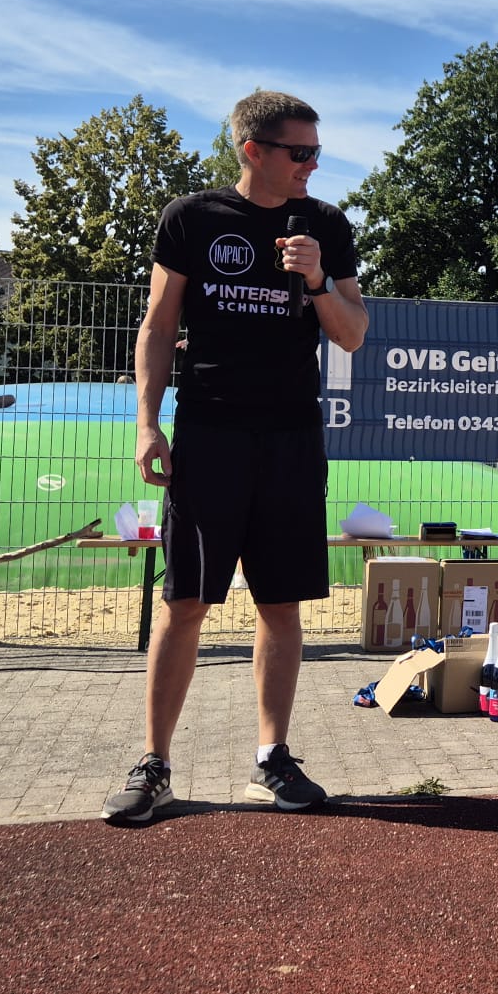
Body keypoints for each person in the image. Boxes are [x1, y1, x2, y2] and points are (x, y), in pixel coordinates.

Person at [102, 90, 368, 827]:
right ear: (254, 150)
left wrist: (317, 281)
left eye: (317, 151)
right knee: (185, 601)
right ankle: (155, 765)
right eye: (300, 152)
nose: (312, 165)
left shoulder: (325, 225)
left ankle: (271, 760)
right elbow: (158, 327)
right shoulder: (191, 218)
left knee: (280, 605)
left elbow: (352, 333)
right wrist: (146, 425)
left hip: (291, 438)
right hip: (209, 434)